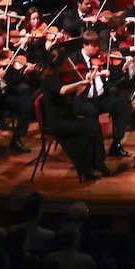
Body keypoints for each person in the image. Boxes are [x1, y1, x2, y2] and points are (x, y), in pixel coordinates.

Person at [39, 51, 111, 181]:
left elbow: (75, 96)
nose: (68, 65)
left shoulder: (59, 76)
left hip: (66, 117)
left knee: (94, 125)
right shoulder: (49, 79)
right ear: (58, 64)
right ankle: (89, 166)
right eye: (65, 63)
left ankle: (96, 163)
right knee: (90, 128)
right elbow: (62, 90)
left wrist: (88, 80)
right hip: (57, 123)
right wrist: (80, 83)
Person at [65, 30, 134, 157]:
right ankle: (96, 152)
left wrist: (124, 69)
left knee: (125, 105)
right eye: (94, 45)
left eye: (98, 45)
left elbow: (114, 80)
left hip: (101, 97)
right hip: (84, 99)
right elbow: (72, 83)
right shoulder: (74, 60)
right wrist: (92, 74)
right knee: (92, 112)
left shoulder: (100, 58)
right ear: (85, 46)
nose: (97, 48)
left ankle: (116, 143)